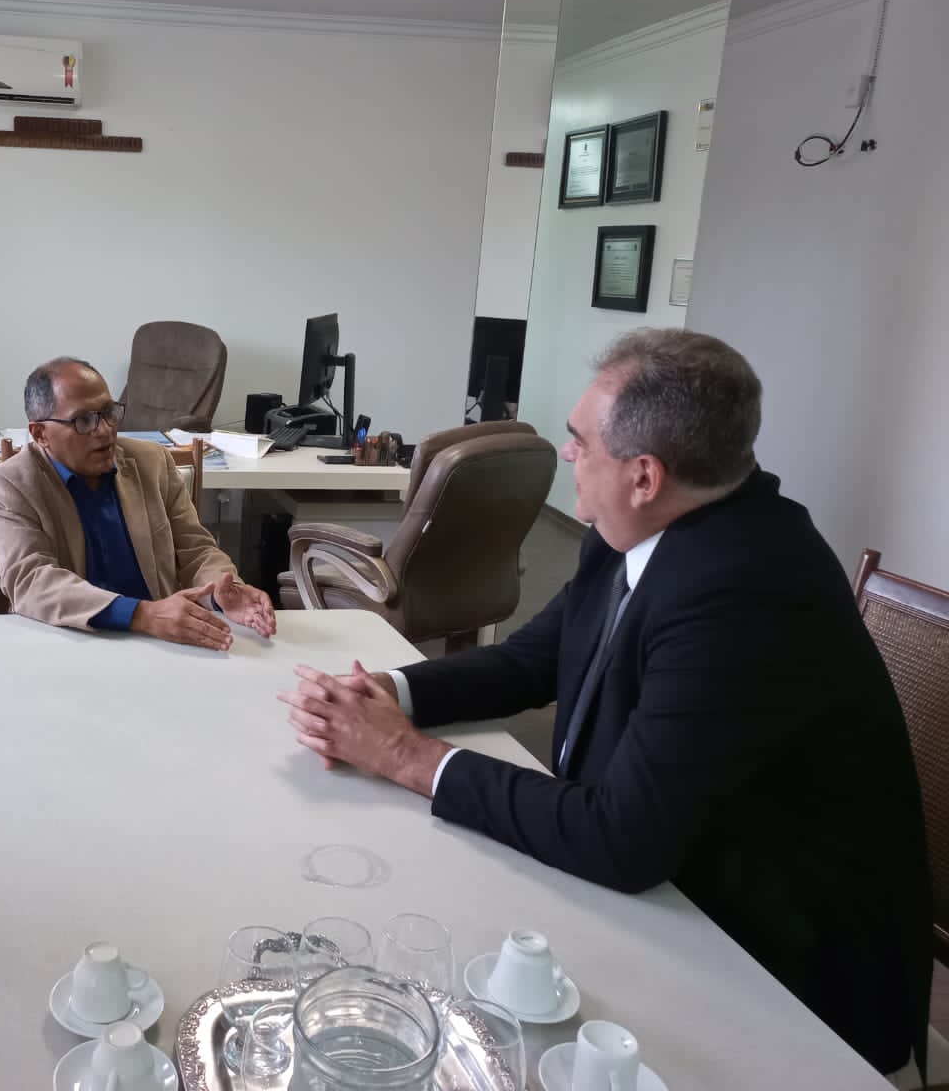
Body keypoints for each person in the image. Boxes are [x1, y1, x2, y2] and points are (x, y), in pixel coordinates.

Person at [279, 328, 931, 1077]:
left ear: (644, 475)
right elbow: (535, 658)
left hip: (783, 975)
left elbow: (622, 837)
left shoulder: (749, 589)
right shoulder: (648, 523)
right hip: (676, 888)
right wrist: (389, 692)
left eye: (580, 441)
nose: (567, 454)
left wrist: (401, 754)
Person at [0, 357, 275, 649]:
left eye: (108, 412)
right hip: (69, 642)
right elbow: (31, 580)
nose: (104, 430)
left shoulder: (152, 462)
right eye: (83, 420)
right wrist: (142, 614)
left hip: (161, 641)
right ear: (40, 434)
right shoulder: (10, 484)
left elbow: (196, 550)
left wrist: (222, 590)